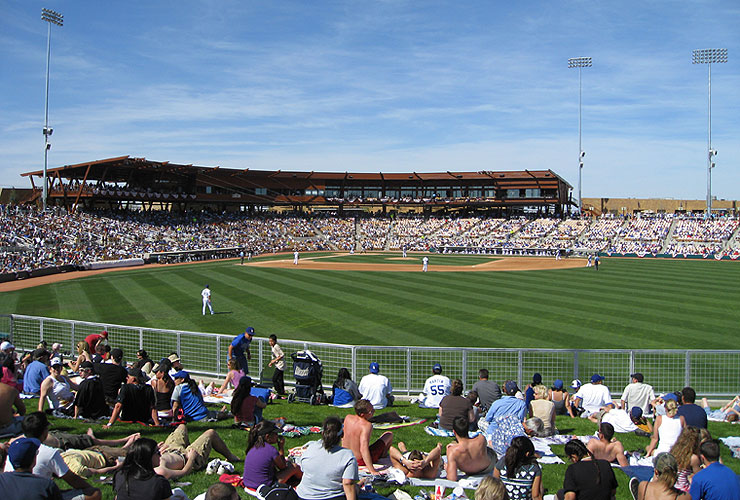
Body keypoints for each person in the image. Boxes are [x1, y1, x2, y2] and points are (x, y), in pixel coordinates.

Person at [5, 412, 102, 500]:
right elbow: (73, 480)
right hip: (38, 493)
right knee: (94, 493)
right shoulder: (48, 455)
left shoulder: (14, 447)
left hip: (11, 491)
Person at [295, 415, 359, 500]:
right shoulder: (347, 455)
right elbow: (348, 483)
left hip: (304, 496)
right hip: (331, 496)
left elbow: (302, 469)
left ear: (322, 433)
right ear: (342, 435)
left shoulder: (310, 447)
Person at [154, 424, 239, 480]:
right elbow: (184, 472)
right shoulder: (160, 471)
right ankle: (230, 456)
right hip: (187, 457)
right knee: (211, 433)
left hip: (170, 449)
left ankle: (192, 446)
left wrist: (157, 449)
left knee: (181, 427)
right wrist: (191, 458)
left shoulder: (144, 459)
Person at [242, 420, 301, 489]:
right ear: (267, 437)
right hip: (266, 486)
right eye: (275, 434)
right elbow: (283, 467)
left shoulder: (252, 447)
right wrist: (281, 448)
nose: (277, 436)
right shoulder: (271, 450)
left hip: (248, 483)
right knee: (294, 467)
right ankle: (302, 481)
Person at [341, 399, 393, 475]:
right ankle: (383, 456)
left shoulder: (348, 418)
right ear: (362, 414)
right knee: (389, 435)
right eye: (371, 411)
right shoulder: (366, 426)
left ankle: (382, 456)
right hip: (359, 460)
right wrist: (372, 470)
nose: (373, 412)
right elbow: (363, 448)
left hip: (346, 456)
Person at [445, 416, 496, 481]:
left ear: (454, 432)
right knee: (488, 448)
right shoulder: (481, 439)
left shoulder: (452, 451)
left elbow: (452, 478)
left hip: (468, 470)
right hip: (487, 467)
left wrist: (448, 468)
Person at [493, 436, 543, 500]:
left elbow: (494, 485)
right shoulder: (533, 469)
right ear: (527, 454)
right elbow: (535, 496)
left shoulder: (502, 463)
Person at [669, 426, 702, 493]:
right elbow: (699, 476)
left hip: (671, 485)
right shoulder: (693, 458)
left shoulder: (674, 451)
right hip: (683, 489)